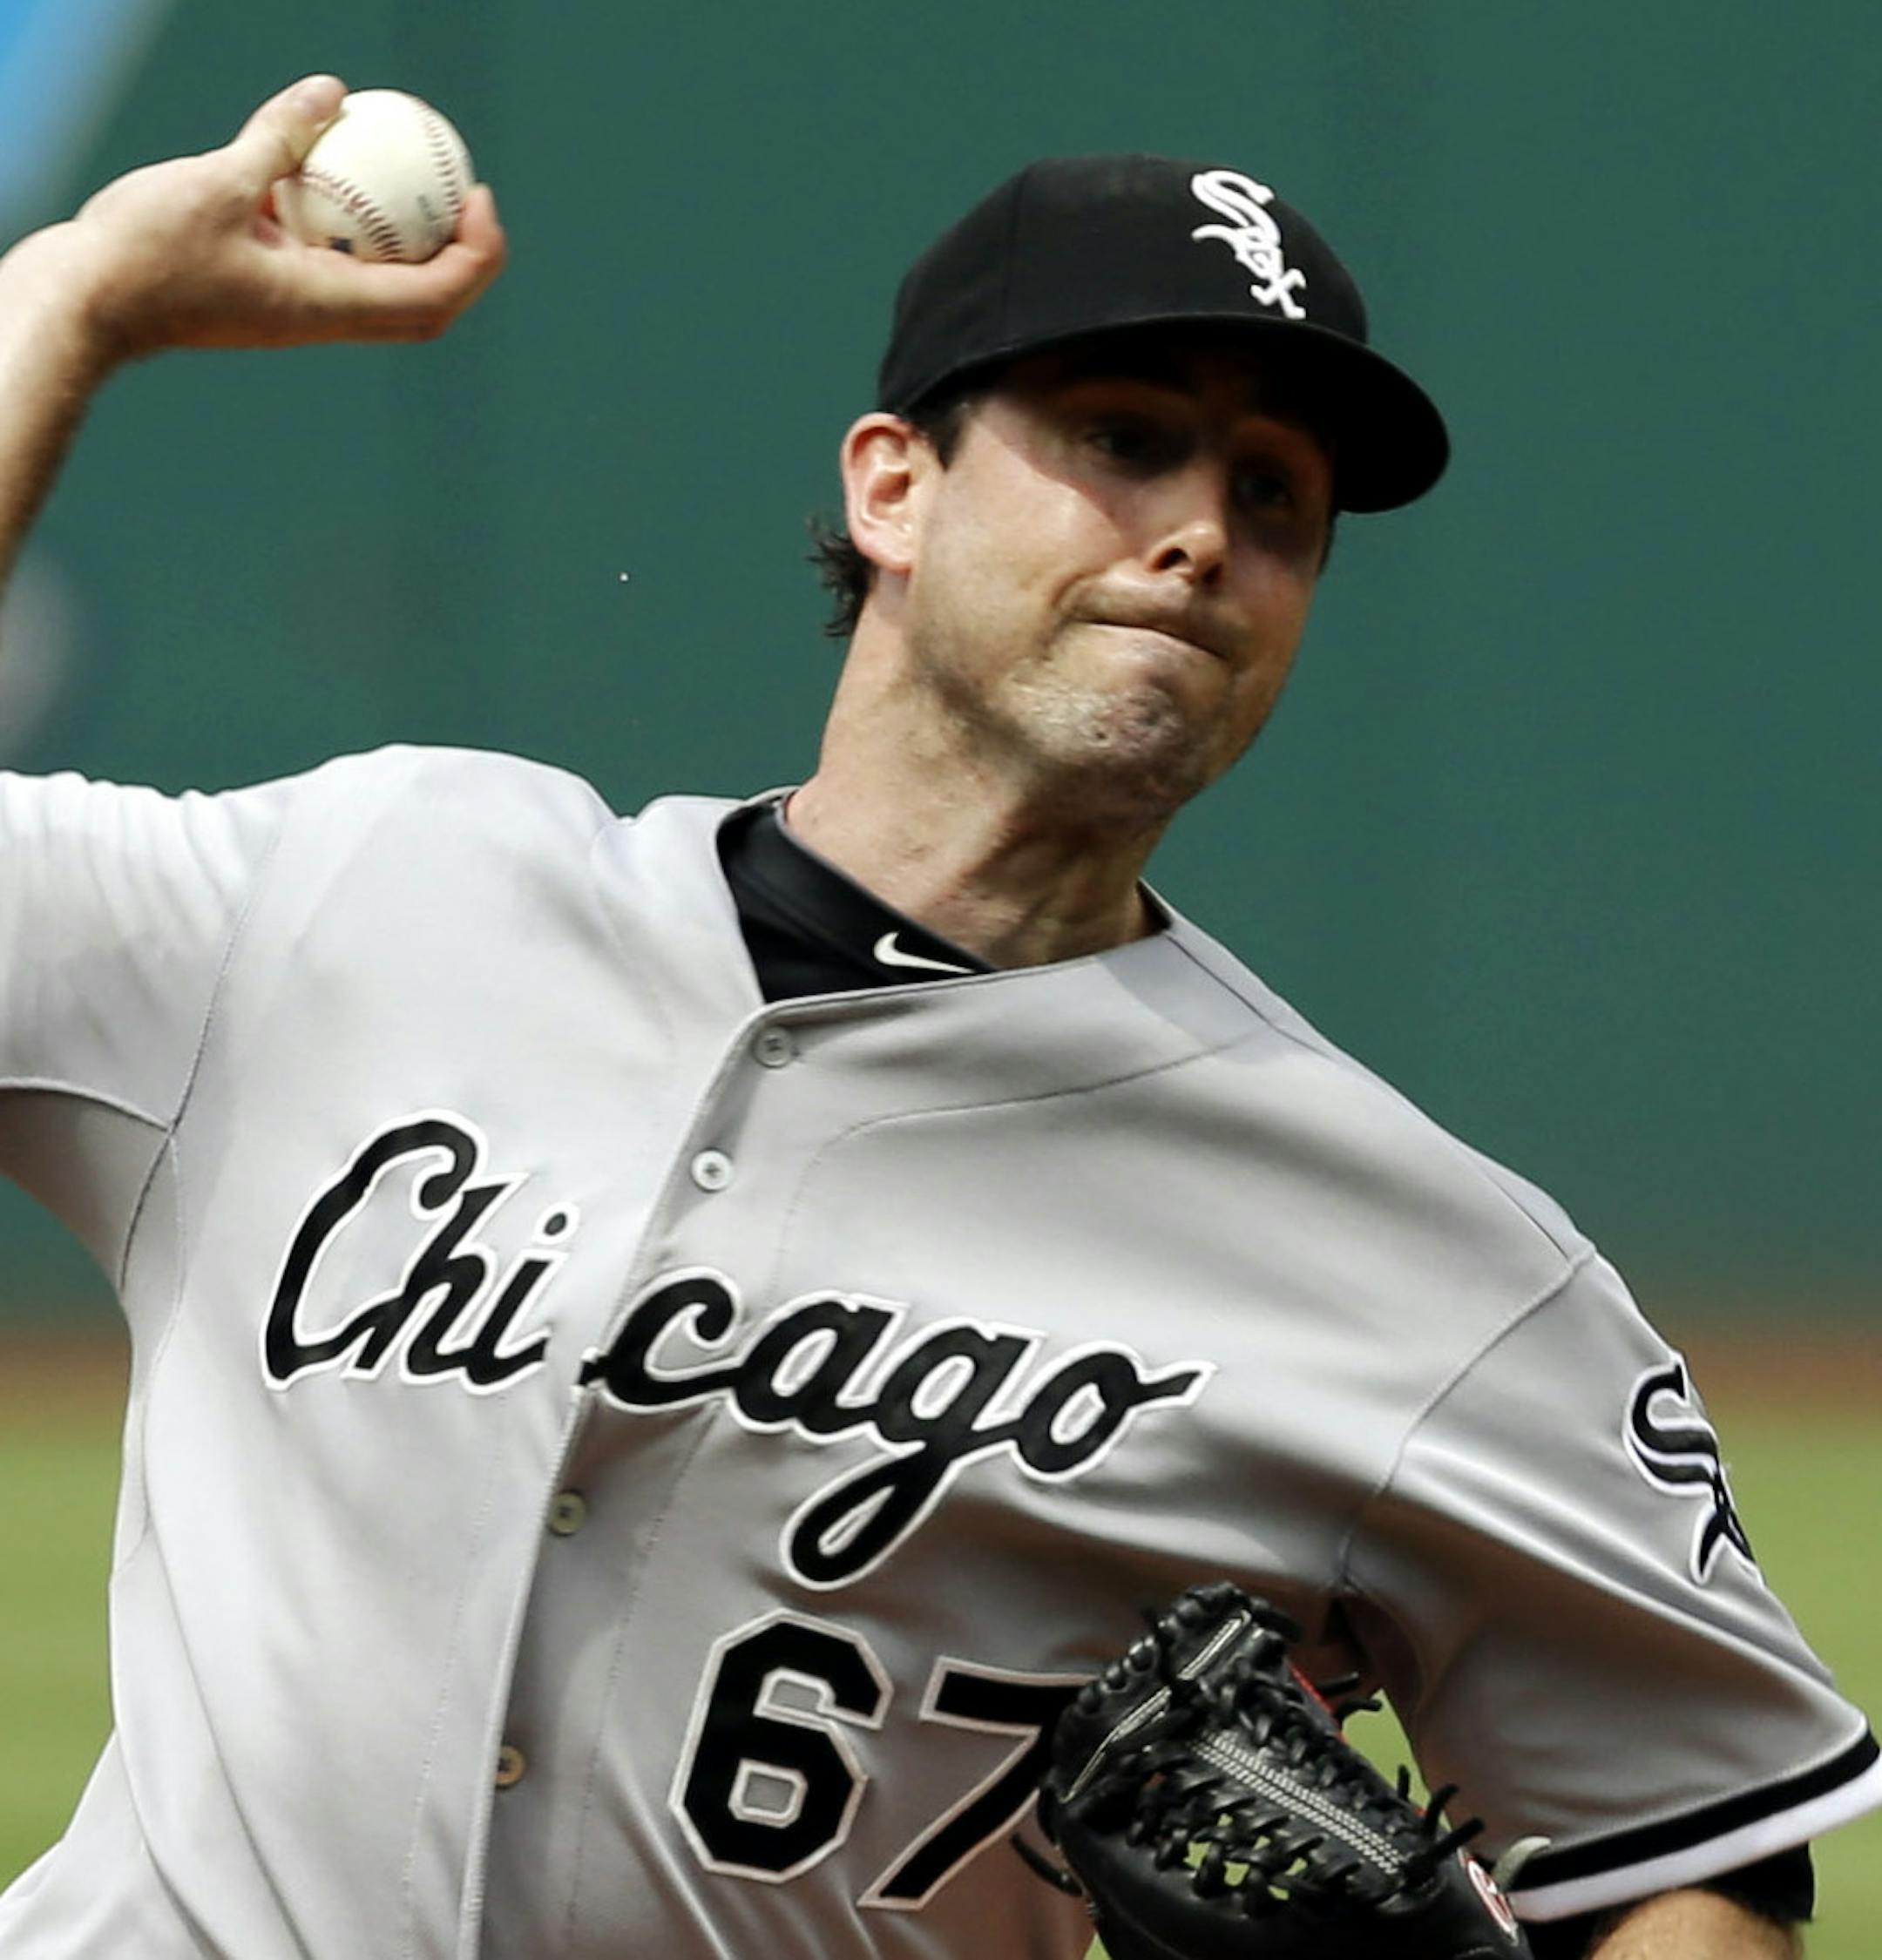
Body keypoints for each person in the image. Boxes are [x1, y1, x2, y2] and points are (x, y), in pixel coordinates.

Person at [0, 74, 1873, 1960]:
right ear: (890, 486)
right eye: (1125, 439)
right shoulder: (363, 892)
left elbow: (1698, 1844)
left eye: (1277, 498)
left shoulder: (1439, 1276)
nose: (1204, 535)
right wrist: (68, 304)